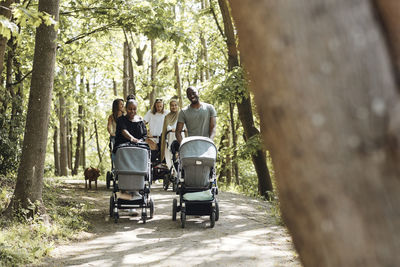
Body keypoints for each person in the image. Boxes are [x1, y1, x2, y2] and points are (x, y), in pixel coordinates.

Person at [160, 97, 184, 166]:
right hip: (170, 138)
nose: (174, 107)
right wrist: (171, 129)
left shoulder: (181, 115)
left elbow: (184, 126)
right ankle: (172, 170)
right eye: (172, 105)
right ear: (170, 107)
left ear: (178, 106)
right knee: (170, 155)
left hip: (180, 138)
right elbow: (167, 127)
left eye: (175, 105)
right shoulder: (167, 117)